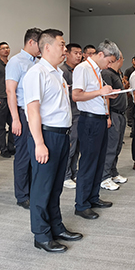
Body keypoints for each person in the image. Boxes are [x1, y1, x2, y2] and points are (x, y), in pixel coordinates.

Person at [23, 29, 83, 253]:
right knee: (42, 187)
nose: (65, 49)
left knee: (56, 187)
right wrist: (39, 143)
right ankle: (41, 235)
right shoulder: (36, 73)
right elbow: (32, 110)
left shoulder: (57, 73)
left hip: (61, 135)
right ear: (47, 47)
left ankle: (56, 227)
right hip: (46, 136)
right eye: (62, 45)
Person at [72, 39, 120, 219]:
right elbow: (76, 95)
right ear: (101, 54)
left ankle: (93, 197)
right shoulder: (83, 69)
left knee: (99, 161)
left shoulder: (97, 70)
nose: (109, 65)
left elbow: (94, 95)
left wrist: (107, 95)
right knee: (88, 162)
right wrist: (100, 92)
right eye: (109, 61)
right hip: (89, 121)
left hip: (100, 120)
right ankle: (81, 204)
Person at [6, 28, 42, 209]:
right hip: (22, 113)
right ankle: (22, 195)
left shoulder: (38, 62)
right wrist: (15, 119)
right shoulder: (16, 62)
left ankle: (32, 190)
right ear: (31, 42)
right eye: (40, 44)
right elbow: (10, 91)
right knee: (23, 155)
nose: (42, 48)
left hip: (36, 113)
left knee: (35, 153)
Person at [100, 51, 128, 191]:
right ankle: (104, 177)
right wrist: (108, 116)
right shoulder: (107, 74)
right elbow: (106, 96)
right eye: (122, 58)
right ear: (118, 59)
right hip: (113, 113)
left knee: (117, 146)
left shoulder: (117, 74)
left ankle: (113, 171)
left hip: (121, 114)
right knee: (110, 147)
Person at [59, 43, 83, 189]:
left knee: (78, 146)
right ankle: (65, 175)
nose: (79, 56)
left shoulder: (79, 70)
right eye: (75, 53)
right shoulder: (63, 71)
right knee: (71, 146)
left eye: (80, 53)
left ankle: (73, 172)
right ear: (67, 54)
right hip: (71, 114)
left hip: (80, 113)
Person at [0, 42, 15, 158]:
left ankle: (11, 147)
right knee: (1, 126)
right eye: (3, 48)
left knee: (13, 124)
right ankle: (3, 149)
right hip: (1, 98)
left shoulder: (11, 64)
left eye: (7, 48)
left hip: (11, 97)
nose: (6, 50)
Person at [123, 58, 135, 136]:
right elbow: (124, 78)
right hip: (130, 90)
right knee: (130, 106)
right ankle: (130, 121)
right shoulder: (129, 70)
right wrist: (127, 84)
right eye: (133, 60)